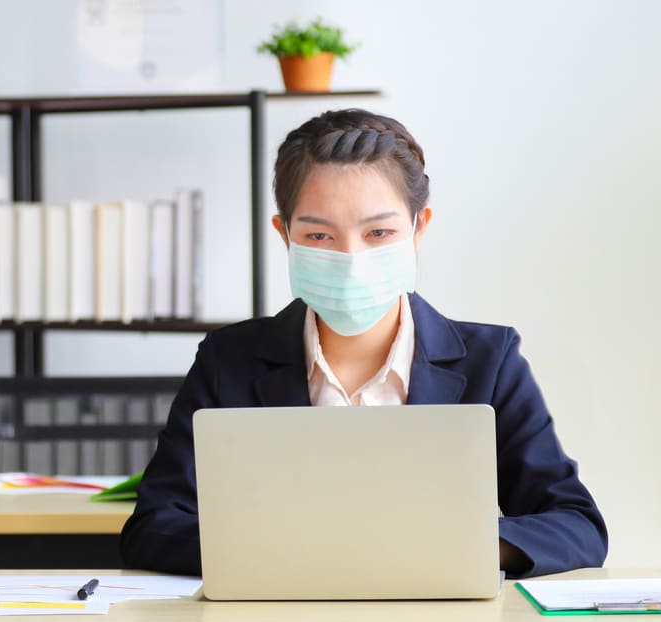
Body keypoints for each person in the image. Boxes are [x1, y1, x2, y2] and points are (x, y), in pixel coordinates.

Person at [119, 109, 608, 579]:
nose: (351, 257)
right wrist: (303, 550)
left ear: (419, 229)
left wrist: (449, 547)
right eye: (319, 235)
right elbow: (155, 527)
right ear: (284, 235)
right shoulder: (230, 360)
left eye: (379, 232)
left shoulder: (490, 360)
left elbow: (576, 525)